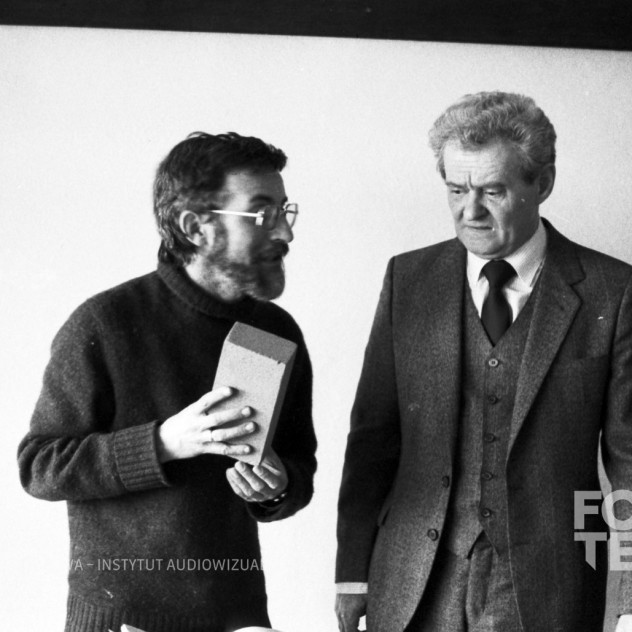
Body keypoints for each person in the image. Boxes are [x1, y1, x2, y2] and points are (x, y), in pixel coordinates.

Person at [335, 92, 632, 632]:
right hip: (412, 581)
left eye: (492, 191)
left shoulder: (614, 291)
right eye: (456, 190)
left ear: (542, 183)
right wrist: (352, 573)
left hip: (558, 584)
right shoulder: (408, 279)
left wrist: (630, 596)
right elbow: (372, 439)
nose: (469, 212)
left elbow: (629, 463)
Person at [18, 132, 317, 632]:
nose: (285, 232)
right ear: (195, 227)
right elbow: (39, 467)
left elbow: (298, 466)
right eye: (262, 214)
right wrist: (162, 444)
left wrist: (277, 486)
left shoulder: (276, 331)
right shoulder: (105, 323)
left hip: (236, 616)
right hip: (120, 621)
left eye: (285, 212)